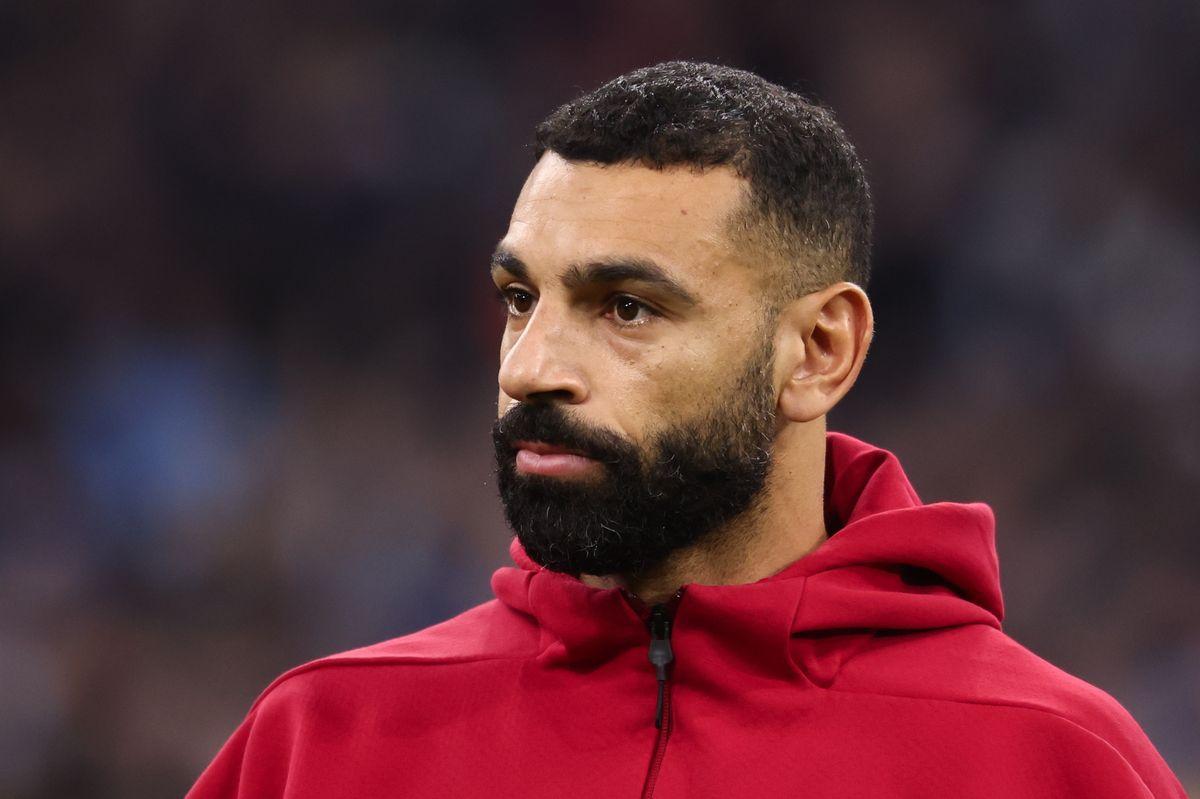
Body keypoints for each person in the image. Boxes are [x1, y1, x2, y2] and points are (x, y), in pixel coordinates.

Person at [188, 61, 1185, 798]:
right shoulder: (323, 743)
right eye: (520, 299)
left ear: (819, 351)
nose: (529, 368)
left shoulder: (1048, 761)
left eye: (627, 307)